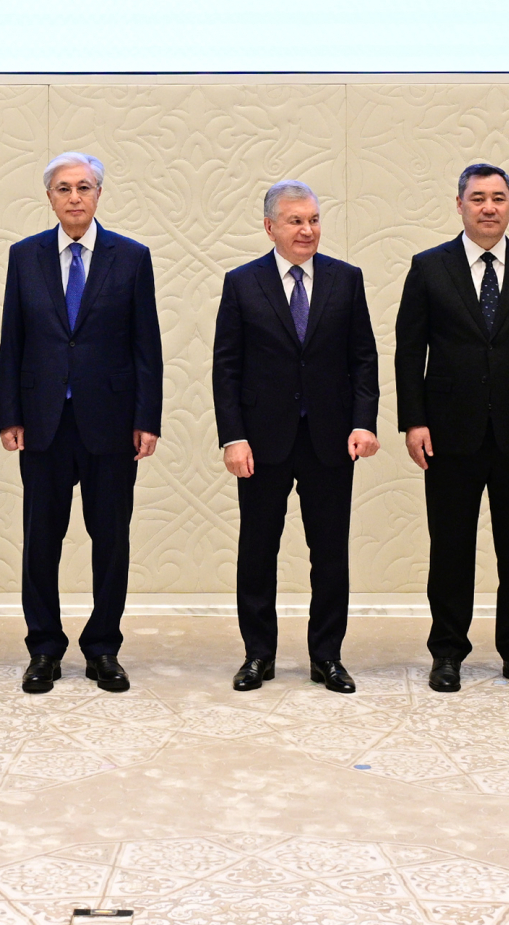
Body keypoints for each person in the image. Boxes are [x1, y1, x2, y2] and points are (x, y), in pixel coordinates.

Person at [394, 162, 509, 693]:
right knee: (450, 548)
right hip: (449, 433)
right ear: (460, 205)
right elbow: (409, 352)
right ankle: (448, 651)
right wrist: (414, 421)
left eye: (498, 198)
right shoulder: (429, 267)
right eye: (478, 198)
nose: (488, 207)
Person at [0, 152, 163, 693]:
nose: (74, 197)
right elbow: (12, 341)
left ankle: (103, 648)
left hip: (111, 423)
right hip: (42, 421)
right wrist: (9, 414)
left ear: (98, 195)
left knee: (110, 540)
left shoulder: (131, 257)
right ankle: (44, 648)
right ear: (49, 197)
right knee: (40, 540)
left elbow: (147, 346)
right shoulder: (25, 256)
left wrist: (147, 418)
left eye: (84, 187)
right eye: (64, 188)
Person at [211, 180, 381, 693]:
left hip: (331, 439)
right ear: (270, 227)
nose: (307, 230)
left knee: (329, 554)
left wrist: (364, 421)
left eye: (313, 220)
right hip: (262, 442)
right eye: (295, 221)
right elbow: (226, 367)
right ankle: (258, 655)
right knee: (257, 551)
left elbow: (364, 359)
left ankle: (326, 656)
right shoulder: (242, 283)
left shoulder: (346, 279)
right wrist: (233, 437)